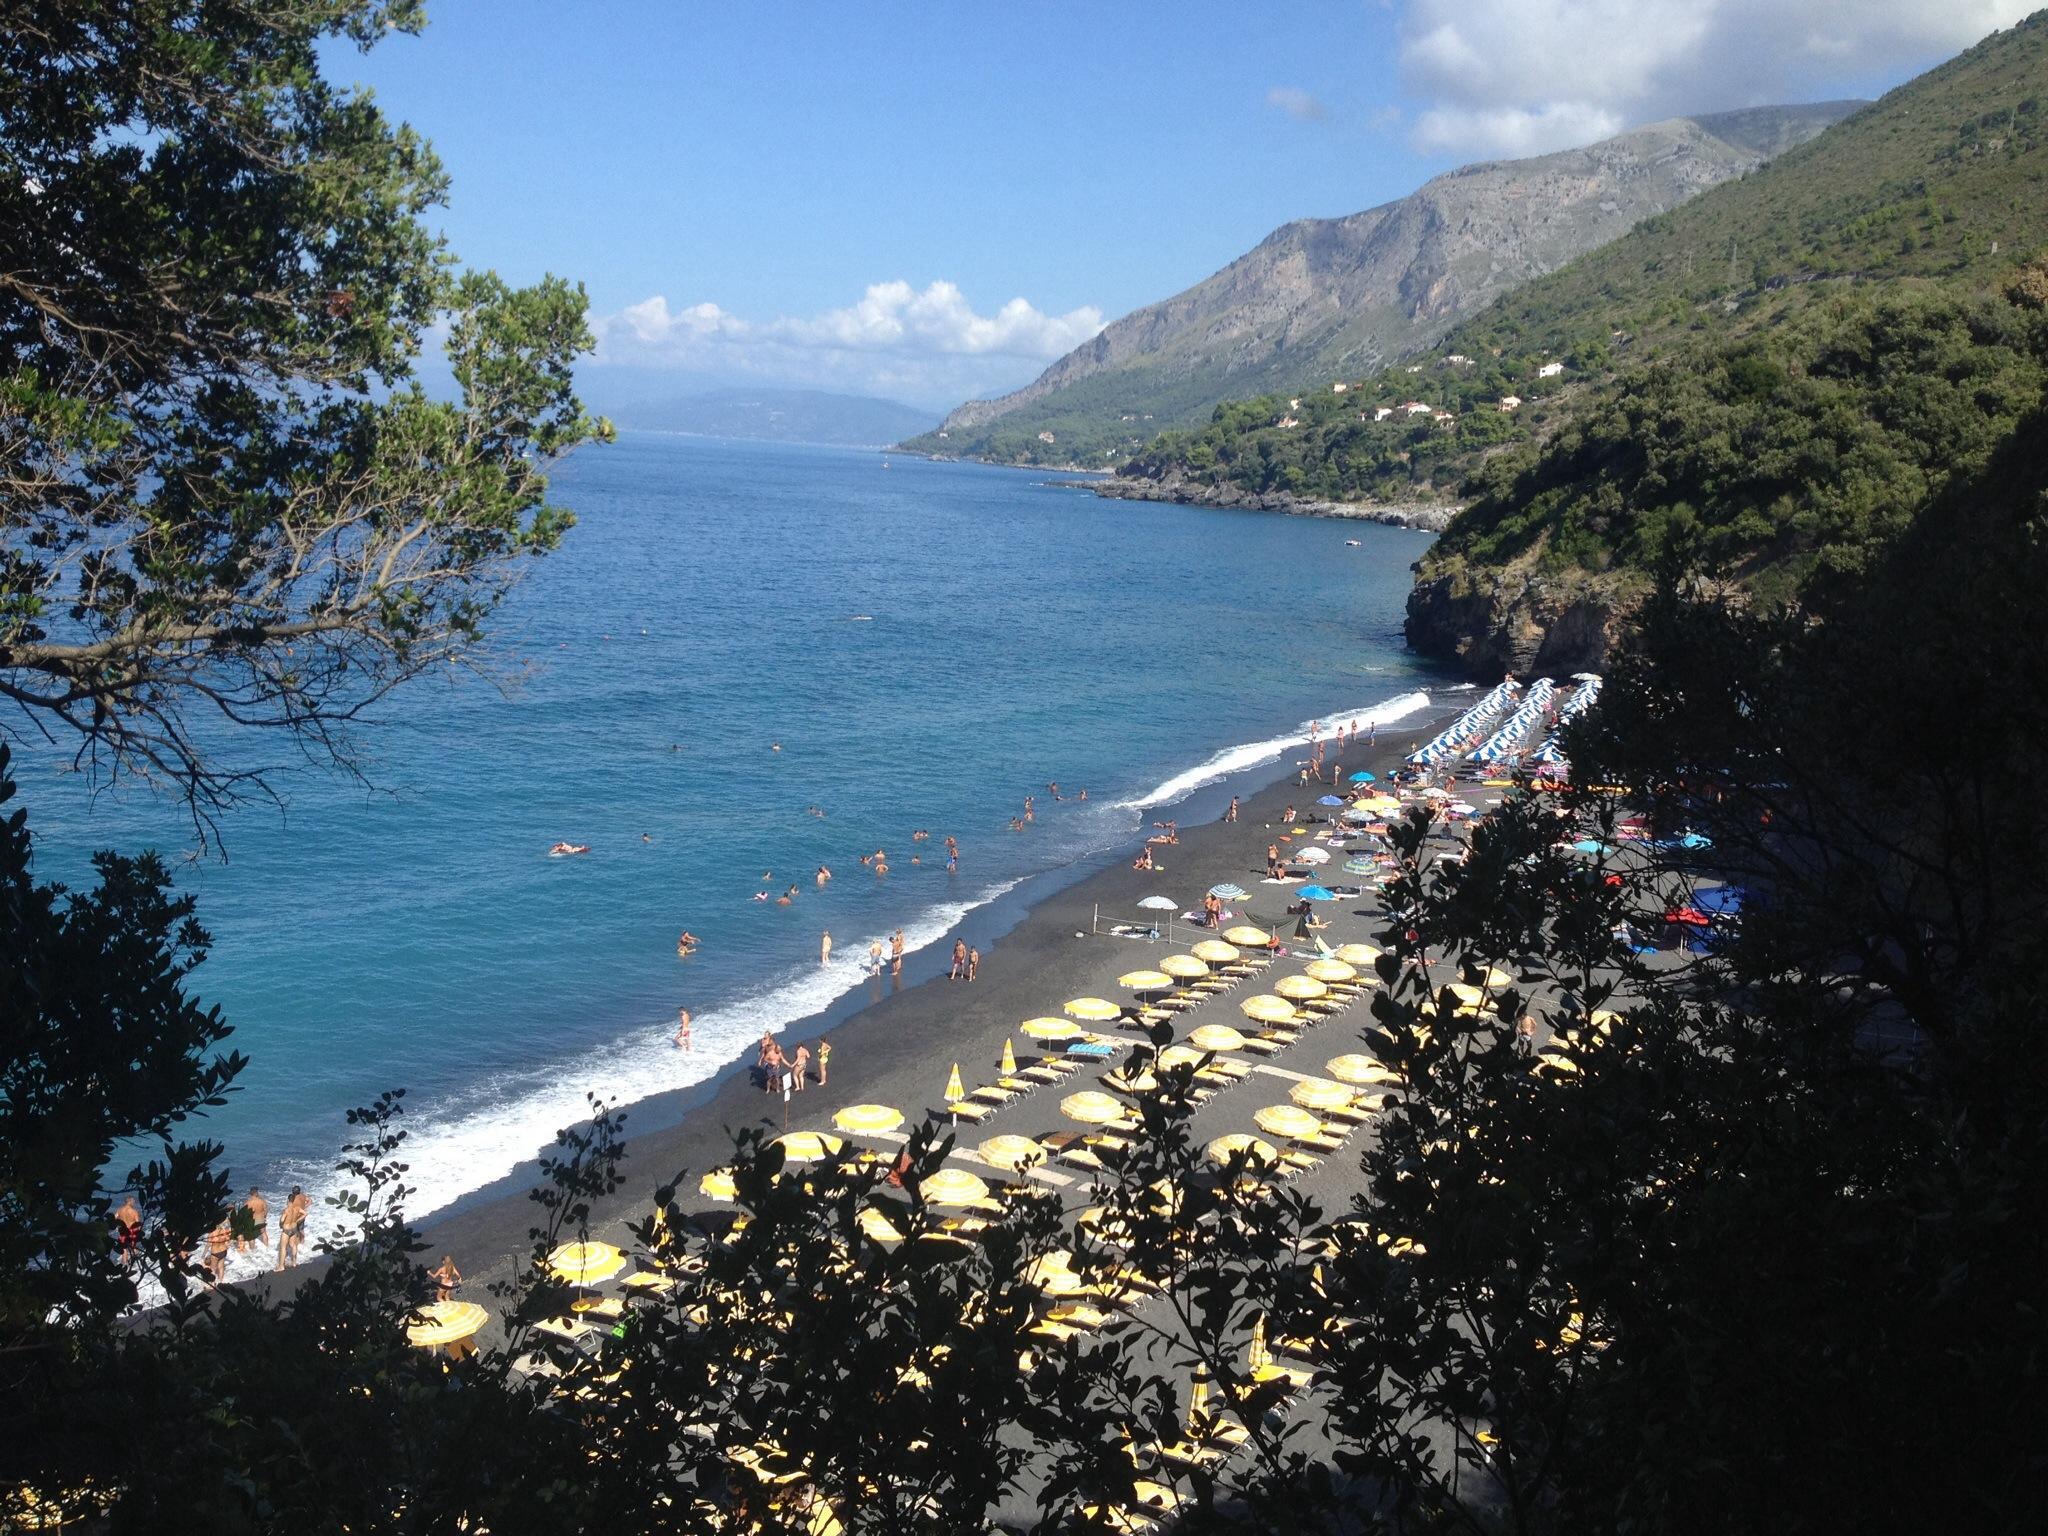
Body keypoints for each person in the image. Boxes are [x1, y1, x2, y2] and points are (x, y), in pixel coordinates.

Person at [277, 1187, 308, 1270]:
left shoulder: (286, 1210)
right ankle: (294, 1262)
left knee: (283, 1247)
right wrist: (298, 1220)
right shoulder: (297, 1209)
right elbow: (305, 1214)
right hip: (294, 1228)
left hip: (286, 1230)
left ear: (288, 1200)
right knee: (294, 1245)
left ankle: (281, 1266)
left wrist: (280, 1224)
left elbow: (282, 1219)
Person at [113, 1195, 142, 1268]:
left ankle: (124, 1264)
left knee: (124, 1248)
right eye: (133, 1201)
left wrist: (118, 1226)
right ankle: (135, 1263)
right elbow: (137, 1223)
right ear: (130, 1201)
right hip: (132, 1231)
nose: (134, 1202)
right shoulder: (134, 1211)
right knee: (133, 1246)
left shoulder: (119, 1210)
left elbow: (113, 1219)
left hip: (123, 1230)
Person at [240, 1186, 268, 1256]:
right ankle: (267, 1249)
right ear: (256, 1193)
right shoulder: (262, 1201)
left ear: (250, 1194)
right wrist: (264, 1216)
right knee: (264, 1234)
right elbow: (266, 1209)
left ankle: (253, 1252)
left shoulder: (247, 1202)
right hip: (261, 1220)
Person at [204, 1219, 231, 1284]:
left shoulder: (212, 1233)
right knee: (221, 1267)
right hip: (223, 1251)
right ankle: (220, 1281)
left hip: (215, 1253)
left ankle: (212, 1283)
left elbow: (208, 1245)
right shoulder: (224, 1230)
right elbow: (228, 1242)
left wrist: (203, 1254)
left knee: (212, 1268)